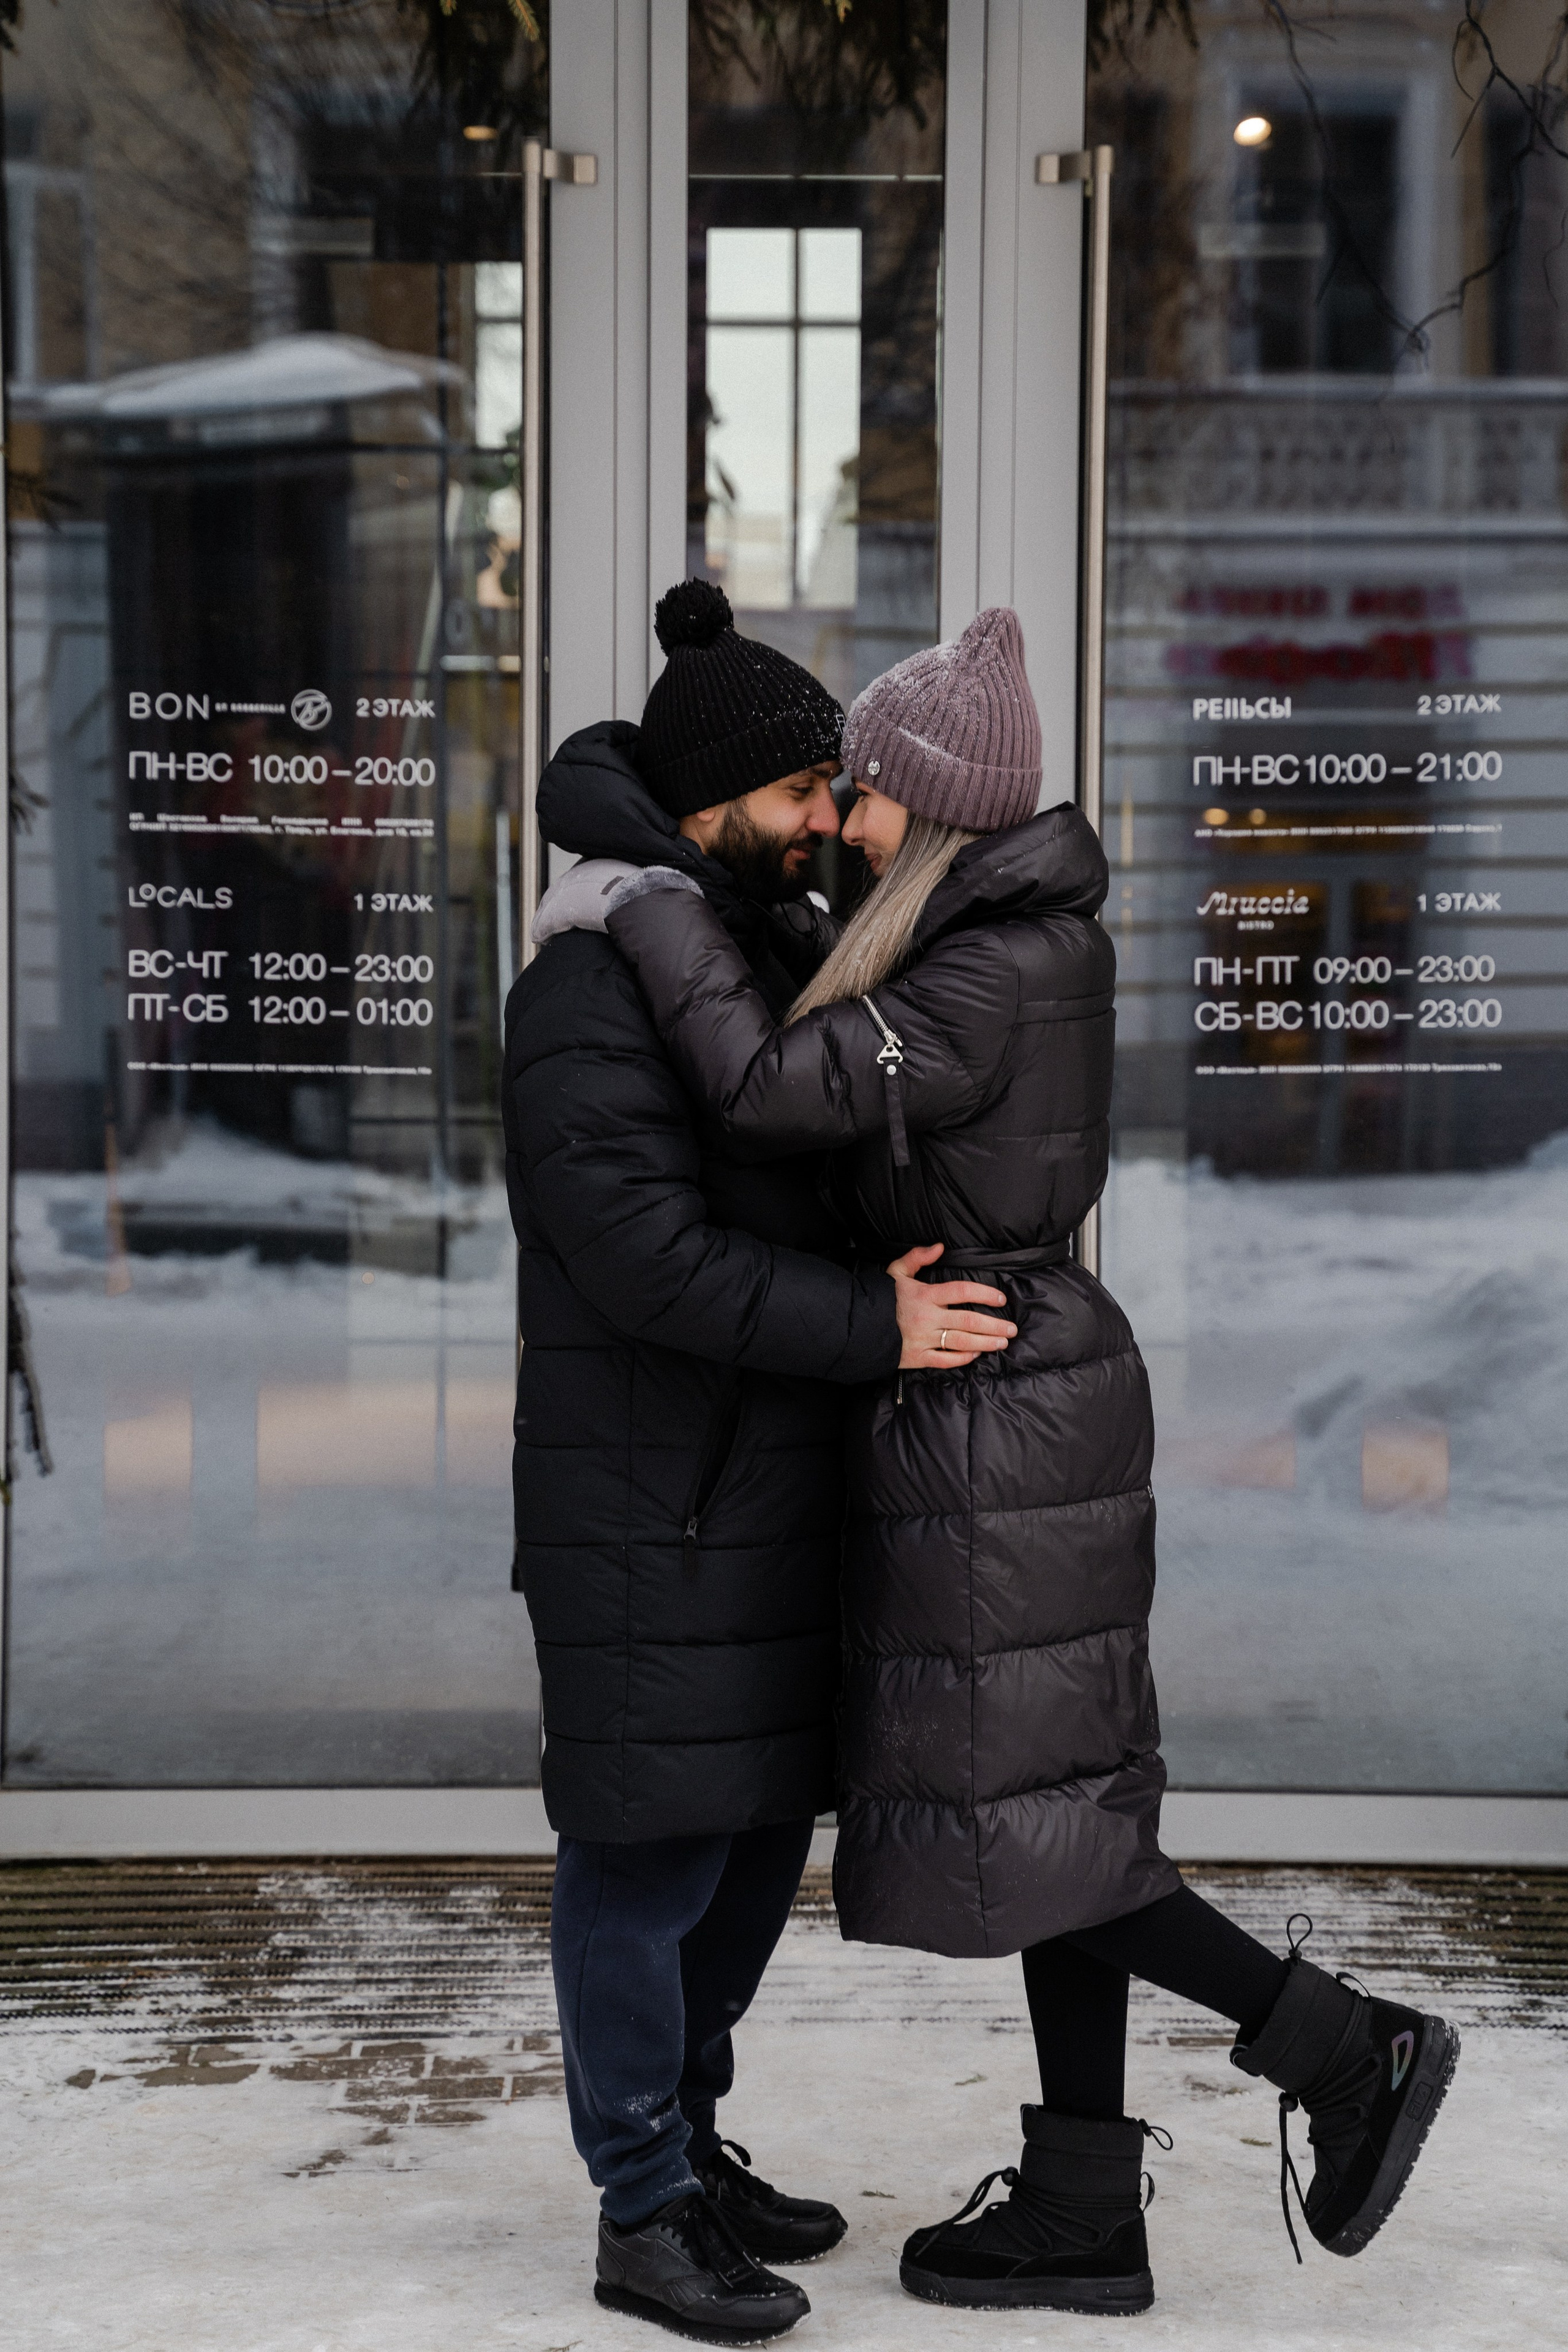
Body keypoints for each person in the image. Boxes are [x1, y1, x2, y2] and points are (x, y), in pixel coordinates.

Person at [543, 604, 1460, 2318]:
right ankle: (1080, 2204)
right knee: (1045, 1813)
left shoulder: (980, 964)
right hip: (1000, 1395)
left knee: (1038, 1825)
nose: (840, 822)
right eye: (821, 789)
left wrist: (640, 892)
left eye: (863, 791)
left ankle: (1346, 2050)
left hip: (991, 1408)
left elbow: (752, 1084)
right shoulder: (983, 931)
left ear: (930, 808)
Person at [503, 578, 1011, 2343]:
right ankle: (638, 2207)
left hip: (750, 1490)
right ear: (719, 795)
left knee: (733, 1856)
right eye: (804, 795)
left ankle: (688, 2143)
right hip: (654, 1503)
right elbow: (642, 1260)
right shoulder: (592, 981)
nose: (825, 824)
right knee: (645, 1860)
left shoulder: (732, 942)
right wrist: (870, 1328)